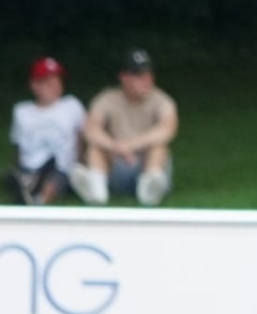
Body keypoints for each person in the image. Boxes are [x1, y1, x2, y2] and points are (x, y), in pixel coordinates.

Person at [71, 50, 178, 206]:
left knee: (158, 147)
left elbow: (167, 129)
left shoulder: (162, 100)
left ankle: (150, 192)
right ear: (124, 78)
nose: (146, 80)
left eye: (148, 74)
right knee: (95, 148)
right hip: (118, 163)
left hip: (147, 164)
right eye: (139, 76)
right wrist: (116, 147)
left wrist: (131, 145)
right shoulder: (107, 99)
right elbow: (91, 130)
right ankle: (97, 191)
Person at [7, 57, 88, 206]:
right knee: (23, 174)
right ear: (35, 86)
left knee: (55, 179)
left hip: (61, 167)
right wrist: (17, 166)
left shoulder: (71, 106)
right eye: (49, 83)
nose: (55, 87)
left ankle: (38, 199)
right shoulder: (22, 111)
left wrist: (81, 163)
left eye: (57, 82)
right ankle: (26, 185)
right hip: (31, 166)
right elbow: (19, 147)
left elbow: (81, 139)